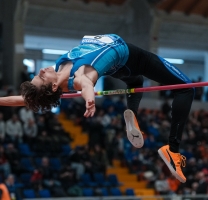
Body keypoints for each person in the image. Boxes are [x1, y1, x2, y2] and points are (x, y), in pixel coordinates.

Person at [0, 34, 195, 183]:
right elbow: (85, 82)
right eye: (41, 76)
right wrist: (89, 99)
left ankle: (132, 115)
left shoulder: (60, 70)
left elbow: (25, 99)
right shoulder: (76, 77)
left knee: (135, 81)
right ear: (52, 86)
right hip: (129, 56)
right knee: (186, 88)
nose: (42, 70)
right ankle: (173, 150)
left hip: (119, 66)